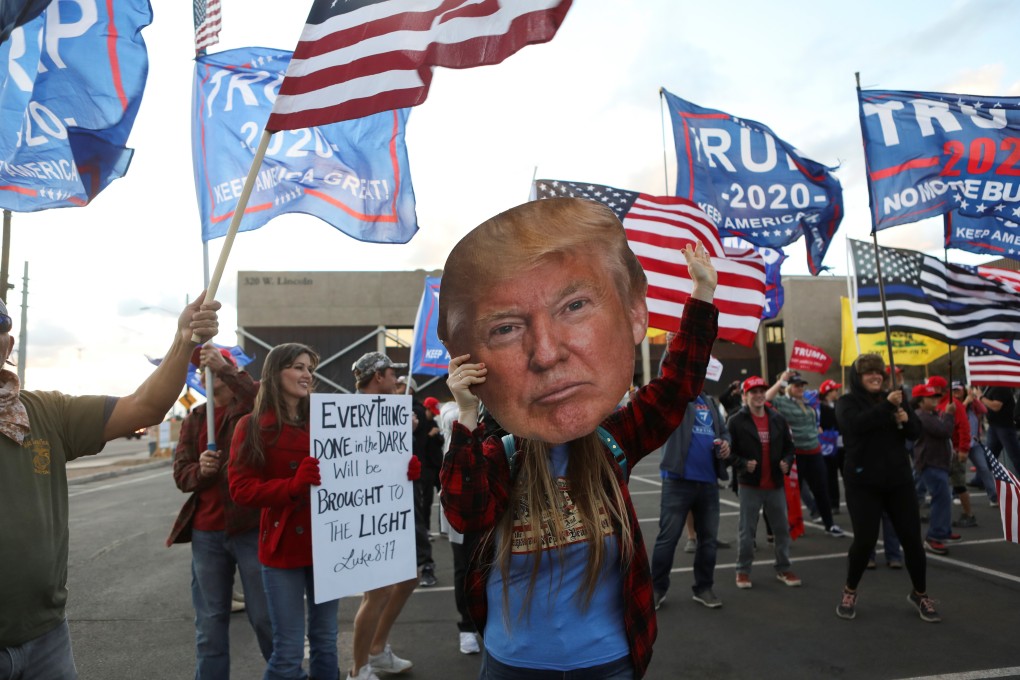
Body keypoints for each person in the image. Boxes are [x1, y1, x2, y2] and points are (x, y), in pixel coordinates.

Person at [438, 198, 719, 680]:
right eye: (506, 329)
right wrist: (466, 415)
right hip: (514, 665)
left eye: (574, 306)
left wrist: (703, 296)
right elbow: (465, 512)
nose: (546, 355)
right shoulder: (498, 455)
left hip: (607, 662)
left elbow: (675, 389)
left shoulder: (612, 445)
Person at [0, 294, 220, 679]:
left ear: (9, 343)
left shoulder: (45, 413)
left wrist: (184, 340)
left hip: (46, 638)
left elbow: (144, 407)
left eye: (1, 328)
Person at [228, 343, 340, 680]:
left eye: (309, 368)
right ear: (275, 373)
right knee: (289, 652)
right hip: (282, 548)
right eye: (297, 367)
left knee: (326, 641)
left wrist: (395, 470)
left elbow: (358, 469)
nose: (307, 375)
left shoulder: (330, 421)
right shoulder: (250, 426)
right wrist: (291, 486)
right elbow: (241, 490)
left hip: (329, 545)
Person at [166, 344, 272, 677]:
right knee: (209, 623)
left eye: (211, 367)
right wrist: (201, 469)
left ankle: (285, 672)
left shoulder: (251, 411)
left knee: (266, 616)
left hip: (250, 526)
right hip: (206, 532)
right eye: (202, 370)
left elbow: (257, 393)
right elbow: (181, 474)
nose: (204, 373)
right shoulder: (196, 418)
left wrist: (224, 367)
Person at [834, 353, 940, 623]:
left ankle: (920, 593)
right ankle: (850, 589)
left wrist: (905, 418)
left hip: (898, 480)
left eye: (879, 374)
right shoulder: (847, 402)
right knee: (865, 540)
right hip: (863, 482)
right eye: (869, 374)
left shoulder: (895, 398)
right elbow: (854, 426)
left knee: (913, 541)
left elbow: (915, 433)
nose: (875, 378)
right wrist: (887, 408)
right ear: (859, 378)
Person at [348, 352, 419, 680]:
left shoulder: (392, 410)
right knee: (376, 591)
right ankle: (358, 668)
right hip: (364, 512)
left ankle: (376, 651)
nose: (396, 379)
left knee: (406, 578)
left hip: (391, 508)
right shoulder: (346, 412)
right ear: (378, 376)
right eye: (392, 373)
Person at [650, 387, 730, 610]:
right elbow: (666, 369)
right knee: (668, 538)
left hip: (708, 482)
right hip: (677, 480)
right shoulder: (675, 396)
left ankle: (704, 587)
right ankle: (656, 589)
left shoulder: (710, 401)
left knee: (708, 541)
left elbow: (723, 432)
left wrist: (726, 444)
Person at [728, 376, 800, 590]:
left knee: (781, 530)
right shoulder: (736, 421)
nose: (759, 395)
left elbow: (790, 448)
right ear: (745, 396)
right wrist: (741, 463)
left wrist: (787, 462)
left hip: (775, 485)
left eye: (762, 391)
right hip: (750, 486)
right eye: (753, 392)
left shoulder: (777, 419)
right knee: (746, 531)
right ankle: (743, 570)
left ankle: (783, 567)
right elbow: (725, 450)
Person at [765, 371, 844, 537]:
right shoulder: (783, 402)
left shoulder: (809, 402)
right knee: (792, 493)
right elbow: (767, 398)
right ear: (789, 387)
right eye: (796, 385)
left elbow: (815, 420)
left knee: (821, 490)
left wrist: (816, 428)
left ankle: (829, 525)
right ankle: (784, 527)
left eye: (801, 385)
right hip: (796, 454)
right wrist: (781, 381)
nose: (800, 388)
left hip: (814, 451)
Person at [910, 383, 959, 555]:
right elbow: (944, 431)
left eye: (935, 397)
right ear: (920, 401)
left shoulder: (930, 414)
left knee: (943, 498)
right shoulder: (922, 417)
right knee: (941, 498)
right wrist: (949, 415)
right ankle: (934, 536)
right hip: (931, 463)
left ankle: (943, 529)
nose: (935, 400)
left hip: (937, 462)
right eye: (930, 398)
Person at [926, 376, 976, 528]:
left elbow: (964, 427)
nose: (929, 391)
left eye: (932, 388)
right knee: (939, 484)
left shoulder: (953, 404)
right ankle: (937, 512)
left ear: (939, 389)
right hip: (941, 451)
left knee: (959, 484)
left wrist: (963, 449)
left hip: (954, 451)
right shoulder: (935, 404)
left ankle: (969, 514)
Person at [959, 382, 996, 507]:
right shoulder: (953, 404)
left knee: (984, 468)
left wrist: (974, 399)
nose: (956, 393)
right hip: (959, 444)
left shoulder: (972, 405)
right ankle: (956, 494)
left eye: (959, 390)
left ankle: (993, 497)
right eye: (954, 391)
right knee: (957, 472)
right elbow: (954, 416)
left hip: (974, 443)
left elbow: (983, 409)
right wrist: (964, 403)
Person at [817, 379, 844, 515]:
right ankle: (834, 503)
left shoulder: (840, 404)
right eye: (834, 390)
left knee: (847, 474)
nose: (837, 392)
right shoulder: (820, 408)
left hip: (842, 443)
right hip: (829, 444)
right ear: (828, 392)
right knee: (831, 475)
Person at [980, 385, 1020, 473]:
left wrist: (981, 397)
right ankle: (981, 478)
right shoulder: (991, 386)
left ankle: (982, 478)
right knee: (990, 455)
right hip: (995, 425)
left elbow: (996, 406)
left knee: (1015, 455)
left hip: (1004, 426)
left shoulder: (1001, 387)